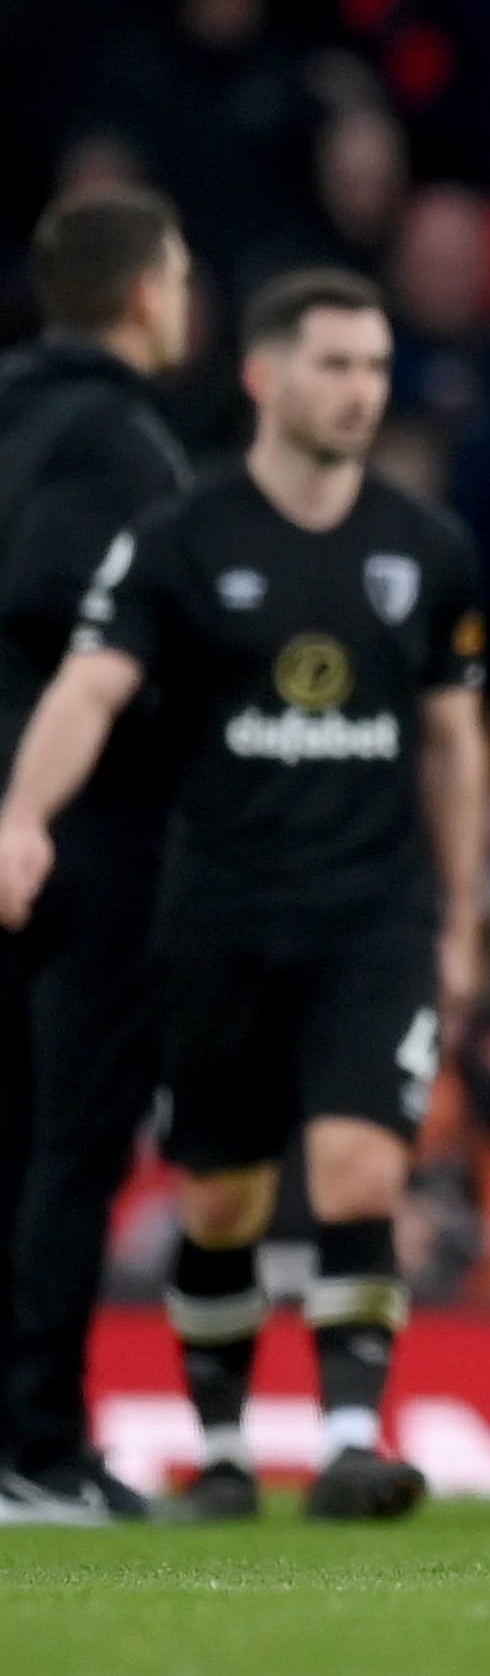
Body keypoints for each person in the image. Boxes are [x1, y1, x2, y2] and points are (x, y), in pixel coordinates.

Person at [0, 267, 490, 1524]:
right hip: (217, 907)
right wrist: (21, 812)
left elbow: (454, 743)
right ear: (267, 376)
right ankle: (222, 1452)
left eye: (377, 367)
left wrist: (463, 912)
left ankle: (346, 1441)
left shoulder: (424, 548)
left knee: (358, 1167)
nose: (360, 391)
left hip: (369, 915)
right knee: (221, 1191)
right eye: (334, 363)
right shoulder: (182, 538)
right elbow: (90, 686)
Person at [0, 187, 193, 1521]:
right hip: (75, 837)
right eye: (179, 279)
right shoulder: (114, 446)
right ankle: (38, 1441)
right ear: (143, 293)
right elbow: (76, 620)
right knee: (69, 1146)